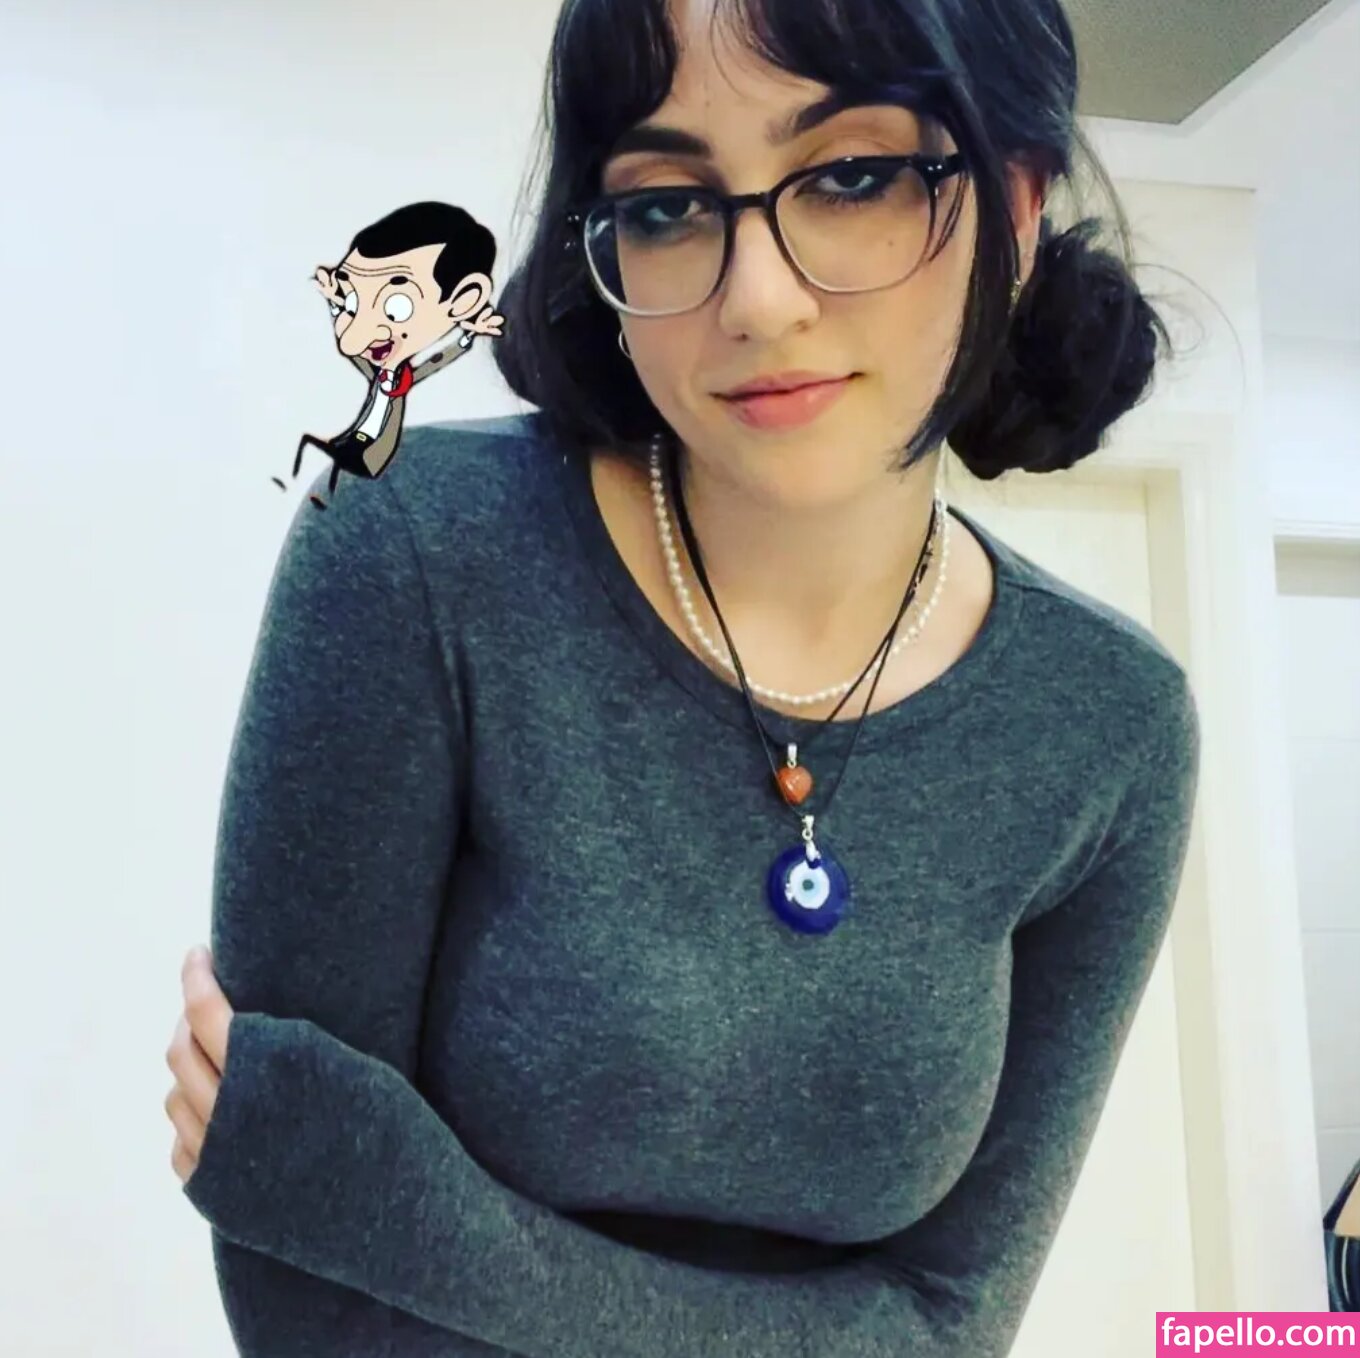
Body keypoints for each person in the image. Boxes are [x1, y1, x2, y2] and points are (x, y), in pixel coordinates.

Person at [174, 0, 1200, 1354]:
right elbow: (300, 1296)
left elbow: (948, 1326)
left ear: (1013, 205)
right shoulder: (415, 550)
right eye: (667, 204)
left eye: (852, 176)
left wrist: (397, 1210)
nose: (757, 299)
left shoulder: (1110, 725)